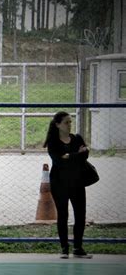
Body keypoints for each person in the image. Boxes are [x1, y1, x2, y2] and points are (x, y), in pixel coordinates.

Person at [43, 111, 93, 259]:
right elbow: (59, 162)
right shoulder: (53, 142)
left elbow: (85, 156)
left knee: (80, 215)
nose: (69, 125)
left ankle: (78, 248)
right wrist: (75, 156)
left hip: (77, 182)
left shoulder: (77, 138)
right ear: (58, 124)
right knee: (63, 215)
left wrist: (69, 156)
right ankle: (64, 248)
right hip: (59, 183)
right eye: (66, 122)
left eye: (70, 122)